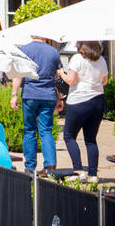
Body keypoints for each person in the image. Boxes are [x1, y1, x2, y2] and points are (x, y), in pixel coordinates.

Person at [11, 34, 63, 173]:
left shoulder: (24, 50)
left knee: (29, 130)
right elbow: (58, 76)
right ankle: (50, 165)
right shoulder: (53, 52)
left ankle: (29, 167)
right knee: (46, 130)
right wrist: (59, 97)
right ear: (45, 36)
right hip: (48, 94)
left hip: (30, 94)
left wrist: (14, 95)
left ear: (32, 35)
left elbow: (18, 75)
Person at [59, 40, 108, 181]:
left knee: (69, 135)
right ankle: (93, 174)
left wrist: (61, 73)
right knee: (91, 139)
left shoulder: (77, 59)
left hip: (79, 100)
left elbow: (71, 81)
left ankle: (78, 170)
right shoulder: (101, 60)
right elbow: (105, 81)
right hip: (98, 100)